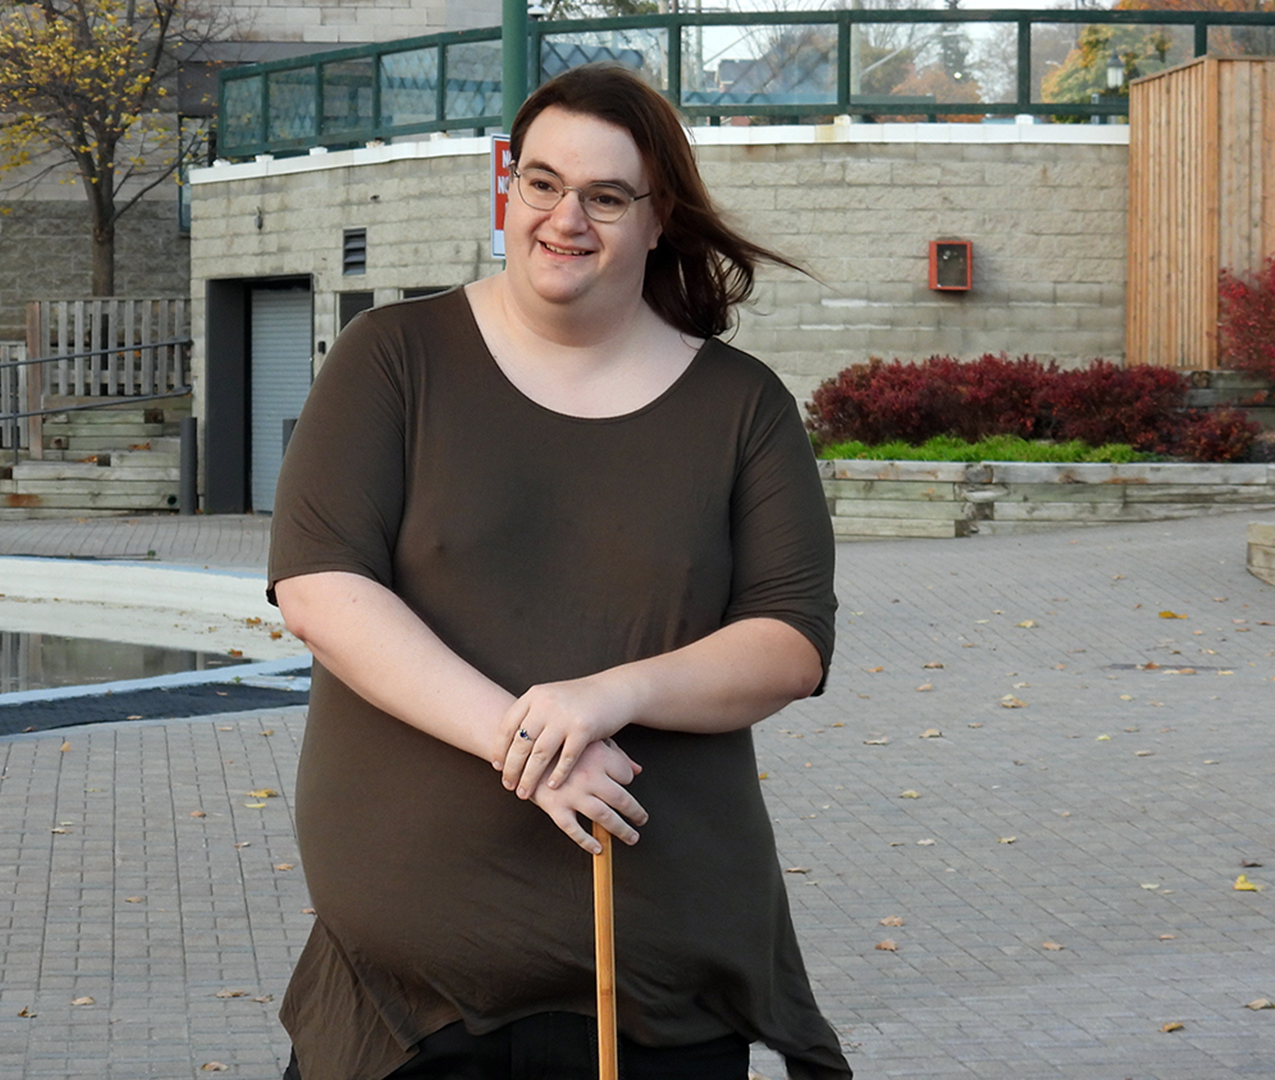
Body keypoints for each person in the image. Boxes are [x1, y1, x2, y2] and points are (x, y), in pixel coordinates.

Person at [267, 62, 850, 1080]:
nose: (563, 218)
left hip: (657, 988)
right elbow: (322, 591)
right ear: (509, 186)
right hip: (407, 1002)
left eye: (605, 195)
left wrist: (608, 695)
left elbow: (790, 643)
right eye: (540, 182)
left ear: (659, 215)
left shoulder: (741, 407)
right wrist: (532, 741)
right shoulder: (391, 357)